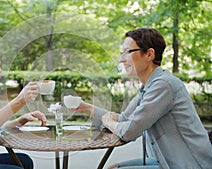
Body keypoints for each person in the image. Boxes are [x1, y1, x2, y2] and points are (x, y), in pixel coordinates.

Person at [73, 28, 212, 169]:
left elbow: (128, 131)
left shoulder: (163, 85)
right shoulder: (148, 87)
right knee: (113, 167)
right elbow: (124, 120)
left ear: (149, 54)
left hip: (191, 164)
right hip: (165, 161)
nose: (121, 59)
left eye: (127, 52)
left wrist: (109, 122)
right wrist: (86, 108)